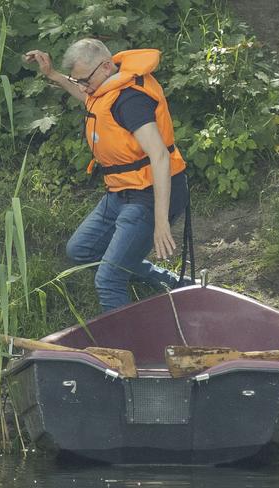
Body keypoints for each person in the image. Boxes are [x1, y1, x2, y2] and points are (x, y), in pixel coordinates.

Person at [24, 39, 191, 313]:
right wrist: (53, 75)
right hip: (120, 192)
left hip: (148, 195)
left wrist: (161, 222)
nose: (82, 87)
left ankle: (124, 351)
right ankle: (168, 282)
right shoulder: (105, 87)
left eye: (83, 80)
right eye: (78, 81)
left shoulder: (131, 101)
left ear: (104, 66)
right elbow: (89, 99)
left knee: (108, 279)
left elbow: (160, 156)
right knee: (81, 251)